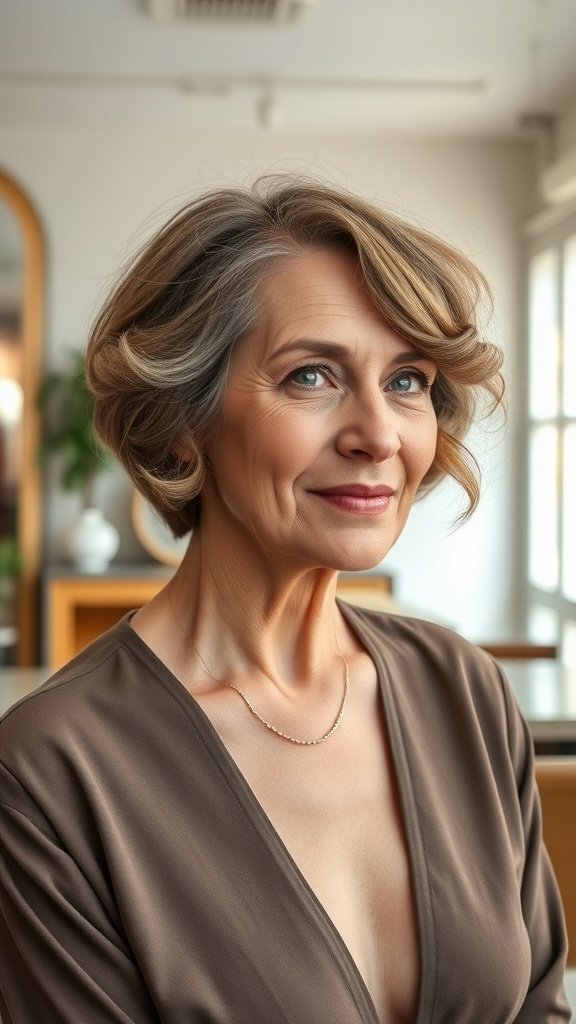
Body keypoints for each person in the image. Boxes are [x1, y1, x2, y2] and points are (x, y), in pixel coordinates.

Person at [0, 177, 570, 1024]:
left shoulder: (465, 691)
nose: (378, 433)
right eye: (312, 375)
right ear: (183, 417)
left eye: (408, 381)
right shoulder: (50, 774)